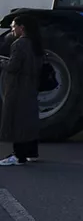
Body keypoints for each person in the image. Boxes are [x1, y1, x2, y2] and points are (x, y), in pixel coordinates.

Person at [1, 14, 44, 165]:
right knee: (29, 119)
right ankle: (32, 152)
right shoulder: (36, 43)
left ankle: (18, 155)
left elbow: (13, 67)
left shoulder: (19, 44)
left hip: (18, 86)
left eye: (13, 26)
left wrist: (2, 63)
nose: (12, 29)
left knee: (17, 119)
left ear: (22, 28)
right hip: (31, 85)